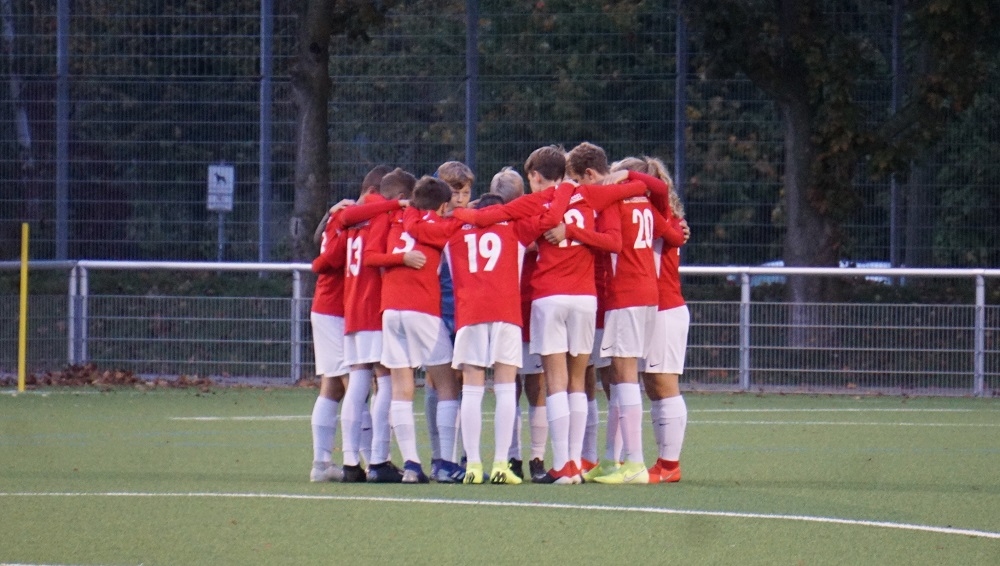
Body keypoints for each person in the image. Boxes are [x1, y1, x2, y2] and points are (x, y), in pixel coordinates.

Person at [562, 143, 669, 485]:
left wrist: (574, 232)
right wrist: (632, 178)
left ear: (590, 174)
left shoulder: (607, 199)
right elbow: (667, 220)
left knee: (623, 376)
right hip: (647, 291)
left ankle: (634, 462)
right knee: (621, 377)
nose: (578, 188)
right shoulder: (642, 199)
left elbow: (612, 241)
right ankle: (612, 459)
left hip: (626, 292)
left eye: (578, 180)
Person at [366, 175, 452, 484]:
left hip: (391, 310)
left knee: (401, 387)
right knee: (447, 384)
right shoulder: (440, 225)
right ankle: (446, 462)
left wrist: (398, 257)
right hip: (422, 309)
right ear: (443, 206)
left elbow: (371, 257)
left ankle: (412, 466)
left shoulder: (394, 219)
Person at [336, 166, 410, 483]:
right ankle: (379, 459)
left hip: (352, 305)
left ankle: (351, 461)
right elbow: (375, 258)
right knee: (387, 381)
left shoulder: (356, 216)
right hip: (373, 307)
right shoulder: (381, 214)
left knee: (358, 383)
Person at [633, 155, 691, 483]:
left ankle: (670, 465)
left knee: (664, 383)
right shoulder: (651, 215)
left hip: (666, 308)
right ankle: (663, 462)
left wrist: (627, 177)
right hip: (650, 308)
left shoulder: (659, 213)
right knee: (653, 384)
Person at [422, 160, 476, 483]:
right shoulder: (429, 224)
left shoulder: (474, 221)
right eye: (454, 192)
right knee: (437, 381)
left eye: (465, 192)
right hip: (437, 313)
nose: (459, 199)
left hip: (468, 312)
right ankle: (440, 456)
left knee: (469, 380)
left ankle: (470, 456)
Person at [307, 197, 355, 482]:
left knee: (334, 386)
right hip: (333, 311)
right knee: (353, 384)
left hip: (335, 310)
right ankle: (359, 461)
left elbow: (320, 239)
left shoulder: (340, 216)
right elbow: (328, 258)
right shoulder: (348, 217)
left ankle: (322, 463)